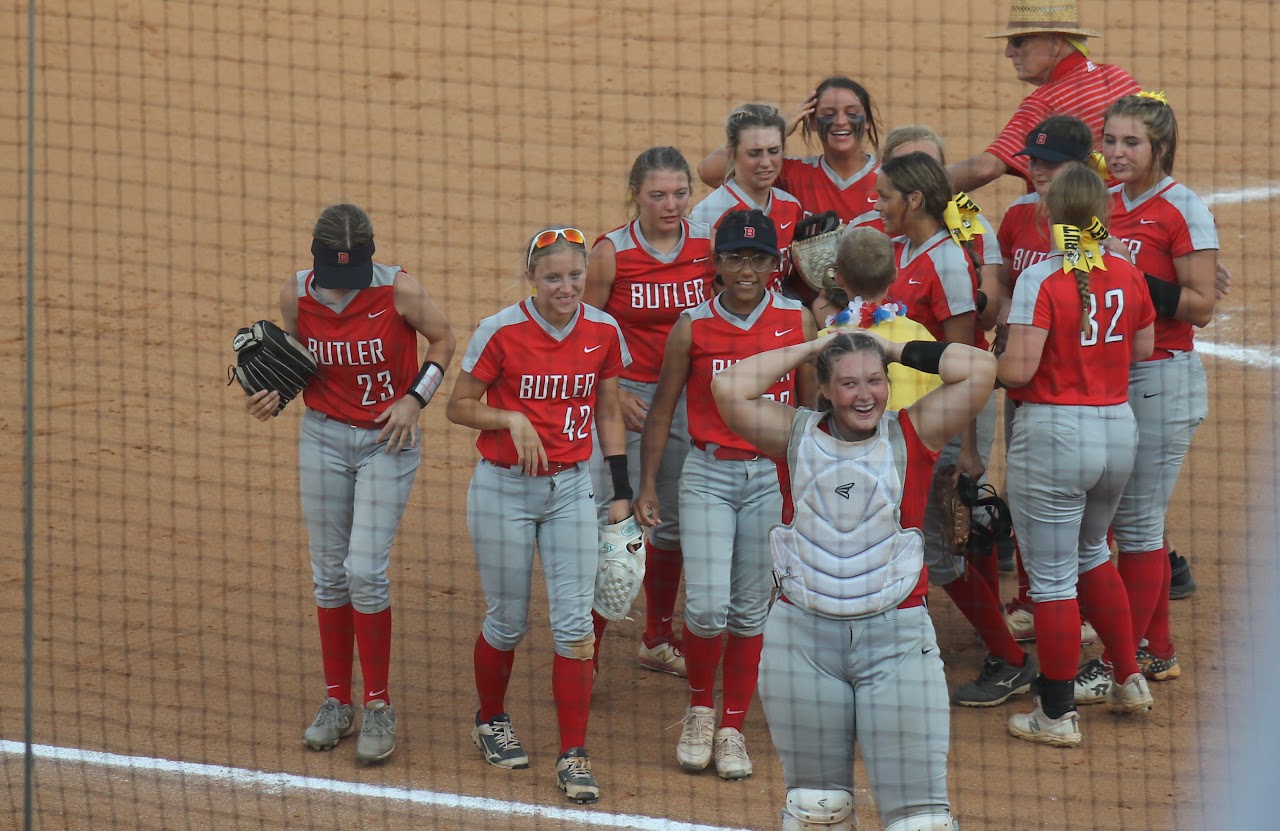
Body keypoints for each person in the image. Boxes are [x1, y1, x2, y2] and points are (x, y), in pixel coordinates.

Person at [712, 329, 996, 831]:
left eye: (874, 381)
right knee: (819, 811)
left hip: (898, 642)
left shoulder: (914, 432)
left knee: (920, 823)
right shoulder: (792, 434)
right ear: (824, 387)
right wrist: (810, 346)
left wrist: (891, 348)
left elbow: (980, 369)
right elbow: (729, 388)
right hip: (802, 644)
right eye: (847, 384)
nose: (864, 395)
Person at [243, 203, 456, 763]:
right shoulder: (296, 294)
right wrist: (274, 394)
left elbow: (443, 342)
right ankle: (338, 702)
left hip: (388, 440)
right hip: (323, 438)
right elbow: (298, 361)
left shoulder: (399, 291)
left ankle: (380, 705)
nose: (342, 288)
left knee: (365, 568)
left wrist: (415, 399)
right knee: (328, 573)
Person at [446, 226, 633, 803]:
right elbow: (458, 405)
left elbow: (608, 412)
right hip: (504, 491)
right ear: (532, 279)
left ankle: (573, 753)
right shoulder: (499, 331)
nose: (566, 287)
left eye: (575, 276)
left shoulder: (603, 331)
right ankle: (491, 719)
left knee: (575, 627)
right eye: (553, 277)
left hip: (573, 489)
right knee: (509, 619)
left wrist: (620, 492)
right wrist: (510, 420)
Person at [634, 209, 815, 781]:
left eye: (757, 258)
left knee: (748, 608)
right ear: (716, 264)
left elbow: (810, 415)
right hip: (706, 474)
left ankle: (732, 726)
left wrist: (806, 491)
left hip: (769, 478)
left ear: (773, 265)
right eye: (735, 257)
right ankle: (700, 710)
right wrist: (646, 483)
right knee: (708, 606)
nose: (746, 268)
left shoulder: (798, 320)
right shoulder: (693, 326)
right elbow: (662, 408)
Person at [998, 166, 1157, 745]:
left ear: (1050, 216)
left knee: (1051, 581)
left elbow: (1018, 370)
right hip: (1118, 429)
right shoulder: (1127, 270)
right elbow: (1141, 346)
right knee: (1093, 551)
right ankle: (1129, 677)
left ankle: (1057, 715)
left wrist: (969, 363)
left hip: (1055, 436)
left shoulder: (1041, 278)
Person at [874, 152, 1036, 707]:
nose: (877, 203)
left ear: (913, 200)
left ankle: (1011, 659)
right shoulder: (905, 249)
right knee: (924, 549)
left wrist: (966, 451)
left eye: (884, 196)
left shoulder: (945, 263)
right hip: (907, 425)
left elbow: (963, 356)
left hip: (936, 433)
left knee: (939, 557)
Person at [1083, 92, 1218, 694]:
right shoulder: (1101, 203)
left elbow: (1201, 307)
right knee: (1138, 522)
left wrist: (1133, 275)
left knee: (1136, 527)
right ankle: (1156, 650)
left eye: (1130, 142)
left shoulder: (1181, 208)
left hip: (1162, 378)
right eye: (1109, 140)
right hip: (1113, 379)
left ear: (1159, 147)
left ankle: (1121, 666)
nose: (1115, 153)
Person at [585, 146, 717, 677]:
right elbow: (585, 332)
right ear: (636, 194)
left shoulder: (707, 247)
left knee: (671, 521)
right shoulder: (610, 253)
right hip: (628, 400)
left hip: (687, 398)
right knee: (612, 520)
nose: (671, 204)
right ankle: (586, 647)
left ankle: (657, 635)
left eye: (681, 193)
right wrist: (611, 394)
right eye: (658, 195)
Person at [994, 115, 1104, 643]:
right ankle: (1031, 598)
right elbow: (999, 289)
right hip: (1028, 387)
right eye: (1033, 160)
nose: (1038, 169)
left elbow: (1107, 280)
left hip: (1075, 386)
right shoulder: (1016, 216)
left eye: (1051, 162)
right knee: (1025, 494)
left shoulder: (1088, 224)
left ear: (1080, 168)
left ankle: (1070, 604)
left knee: (1082, 509)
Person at [948, 0, 1139, 193]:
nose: (1008, 53)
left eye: (1018, 41)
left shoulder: (1046, 102)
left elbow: (986, 168)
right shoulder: (1120, 78)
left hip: (1079, 219)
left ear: (1055, 43)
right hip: (1140, 213)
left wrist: (922, 184)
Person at [698, 76, 884, 228]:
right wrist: (776, 130)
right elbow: (709, 171)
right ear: (811, 121)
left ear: (867, 121)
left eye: (852, 113)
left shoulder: (888, 177)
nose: (841, 121)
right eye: (828, 114)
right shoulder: (792, 173)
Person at [879, 125, 1002, 332]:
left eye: (928, 165)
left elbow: (988, 319)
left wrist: (963, 293)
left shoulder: (972, 226)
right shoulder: (869, 226)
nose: (917, 175)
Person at [688, 104, 805, 295]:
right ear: (731, 153)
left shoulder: (791, 206)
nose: (766, 163)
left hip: (781, 318)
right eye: (754, 153)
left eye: (774, 151)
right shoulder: (709, 212)